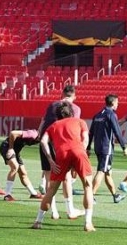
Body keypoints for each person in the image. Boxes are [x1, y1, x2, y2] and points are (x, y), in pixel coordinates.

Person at [32, 103, 95, 232]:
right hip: (79, 152)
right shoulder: (80, 122)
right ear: (71, 113)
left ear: (58, 116)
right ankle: (88, 223)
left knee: (51, 190)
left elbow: (43, 141)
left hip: (62, 155)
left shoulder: (53, 126)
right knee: (87, 186)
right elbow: (85, 139)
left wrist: (50, 159)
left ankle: (38, 221)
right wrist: (80, 151)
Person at [37, 85, 83, 219]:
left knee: (48, 177)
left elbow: (43, 121)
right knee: (66, 177)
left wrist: (40, 134)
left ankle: (53, 211)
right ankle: (70, 210)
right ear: (74, 96)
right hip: (61, 144)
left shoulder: (52, 105)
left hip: (46, 141)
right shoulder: (75, 108)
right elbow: (73, 126)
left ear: (61, 94)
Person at [88, 94, 127, 204]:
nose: (118, 104)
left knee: (108, 172)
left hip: (97, 146)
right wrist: (123, 146)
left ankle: (115, 195)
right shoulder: (111, 114)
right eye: (117, 103)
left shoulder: (97, 115)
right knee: (101, 171)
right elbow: (117, 131)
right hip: (106, 148)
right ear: (113, 103)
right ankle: (91, 196)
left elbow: (91, 132)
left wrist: (88, 147)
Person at [0, 128, 42, 201]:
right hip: (7, 147)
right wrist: (11, 149)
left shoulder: (44, 138)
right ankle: (7, 195)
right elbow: (13, 133)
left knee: (23, 173)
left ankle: (33, 193)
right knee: (15, 167)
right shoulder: (33, 134)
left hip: (16, 151)